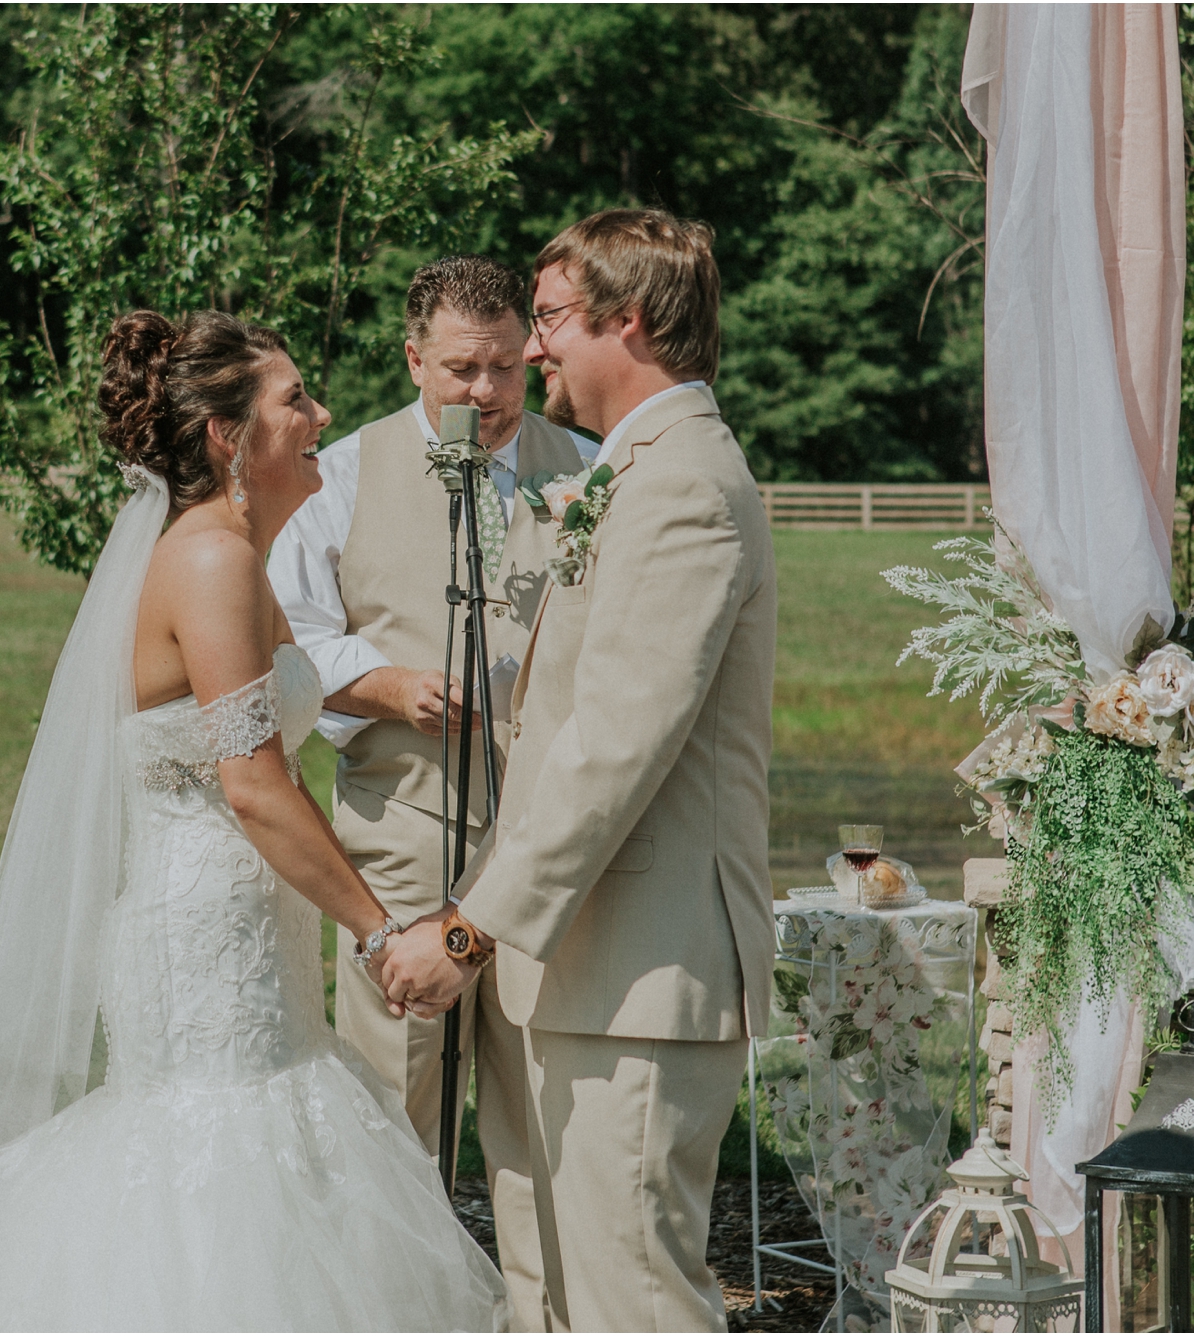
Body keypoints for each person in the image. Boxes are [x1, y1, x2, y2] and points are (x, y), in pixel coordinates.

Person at [0, 310, 505, 1332]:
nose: (320, 414)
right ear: (227, 434)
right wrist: (381, 932)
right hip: (206, 939)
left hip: (252, 936)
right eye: (293, 398)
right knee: (212, 1179)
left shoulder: (230, 553)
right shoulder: (209, 560)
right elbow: (255, 784)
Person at [378, 210, 779, 1333]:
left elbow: (614, 748)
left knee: (634, 1305)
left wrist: (466, 928)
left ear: (630, 322)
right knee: (565, 1303)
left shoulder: (683, 486)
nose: (534, 347)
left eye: (549, 319)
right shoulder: (637, 471)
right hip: (589, 975)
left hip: (641, 979)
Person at [267, 255, 594, 1328]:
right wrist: (384, 682)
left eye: (506, 366)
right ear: (413, 358)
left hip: (544, 847)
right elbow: (289, 639)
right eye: (460, 369)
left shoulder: (587, 469)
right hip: (398, 834)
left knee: (538, 1114)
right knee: (391, 1105)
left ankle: (538, 1317)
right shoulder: (342, 474)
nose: (486, 393)